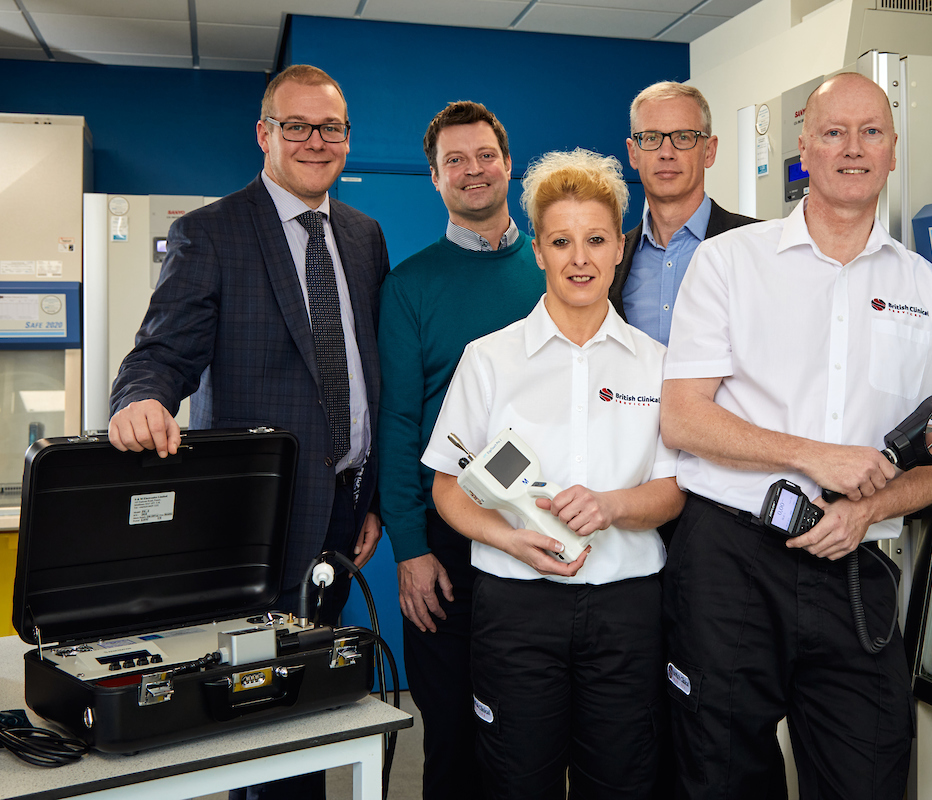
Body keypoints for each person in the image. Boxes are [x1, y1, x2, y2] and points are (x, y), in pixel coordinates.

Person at [658, 72, 932, 799]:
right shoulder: (731, 263)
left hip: (855, 568)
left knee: (868, 772)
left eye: (871, 132)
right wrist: (811, 455)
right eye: (834, 132)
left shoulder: (926, 289)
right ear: (805, 148)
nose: (853, 148)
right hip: (731, 560)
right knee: (721, 775)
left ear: (892, 150)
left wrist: (866, 509)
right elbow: (683, 416)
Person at [108, 64, 389, 800]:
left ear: (347, 139)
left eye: (330, 127)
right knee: (259, 710)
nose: (314, 141)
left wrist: (372, 496)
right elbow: (163, 353)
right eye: (296, 125)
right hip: (256, 517)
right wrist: (140, 401)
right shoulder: (209, 233)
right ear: (264, 134)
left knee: (315, 699)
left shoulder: (364, 236)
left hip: (342, 504)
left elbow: (369, 372)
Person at [421, 148, 683, 799]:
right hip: (516, 610)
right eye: (561, 241)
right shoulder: (489, 360)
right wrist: (510, 539)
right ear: (537, 250)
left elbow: (675, 490)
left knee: (623, 781)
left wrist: (615, 506)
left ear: (619, 248)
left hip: (627, 609)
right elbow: (447, 486)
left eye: (595, 240)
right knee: (515, 779)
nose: (579, 259)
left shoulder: (656, 364)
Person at [376, 101, 544, 799]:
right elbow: (397, 425)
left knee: (532, 734)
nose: (472, 171)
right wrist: (410, 550)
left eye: (484, 156)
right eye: (455, 161)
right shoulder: (410, 287)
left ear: (507, 163)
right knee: (451, 735)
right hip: (449, 543)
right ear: (435, 178)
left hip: (547, 526)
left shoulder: (555, 265)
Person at [611, 81, 755, 344]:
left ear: (709, 151)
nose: (667, 153)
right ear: (633, 153)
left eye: (684, 137)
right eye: (652, 138)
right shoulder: (610, 259)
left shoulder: (758, 245)